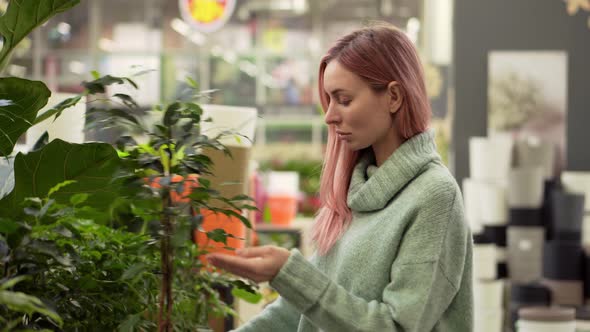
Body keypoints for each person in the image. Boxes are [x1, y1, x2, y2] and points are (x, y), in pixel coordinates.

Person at [207, 22, 473, 332]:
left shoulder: (434, 196)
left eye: (343, 100)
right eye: (329, 100)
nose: (329, 115)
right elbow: (295, 314)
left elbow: (397, 327)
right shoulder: (355, 192)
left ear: (394, 97)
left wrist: (291, 274)